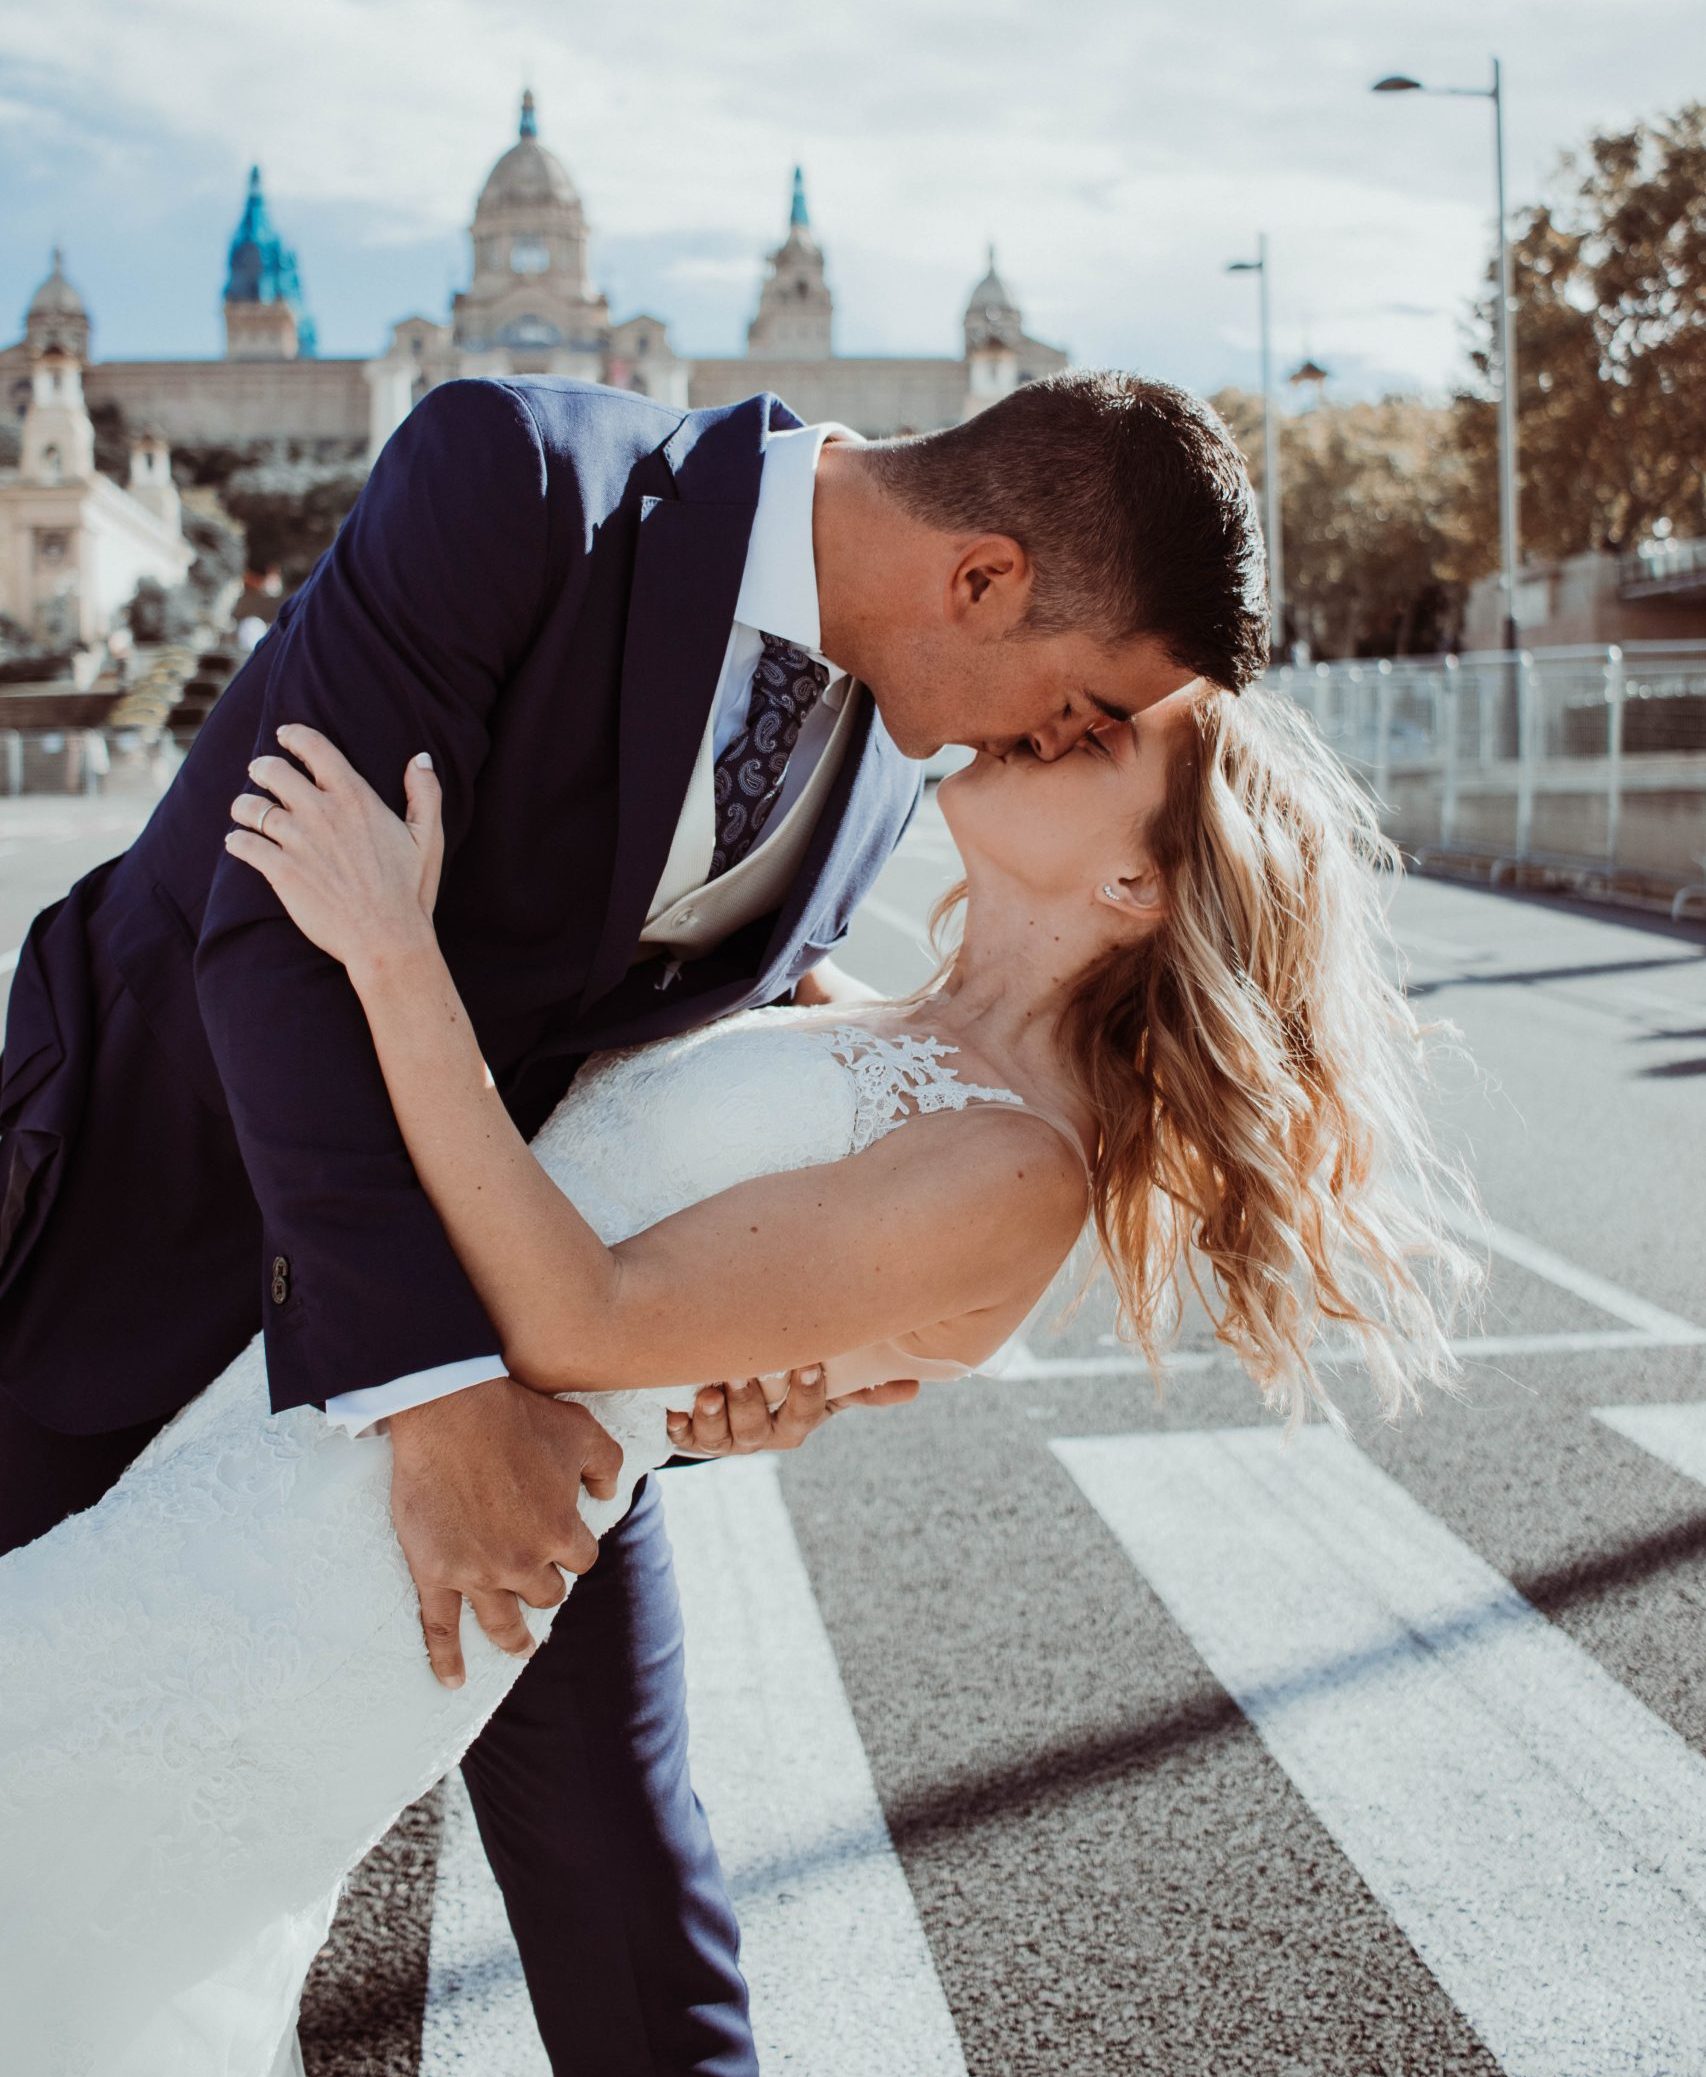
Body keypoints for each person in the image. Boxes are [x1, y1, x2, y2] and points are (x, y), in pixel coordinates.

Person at [0, 369, 1268, 2073]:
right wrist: (441, 1391)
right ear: (981, 580)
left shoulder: (905, 746)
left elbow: (732, 1064)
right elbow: (270, 914)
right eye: (1084, 698)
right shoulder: (514, 480)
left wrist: (772, 1335)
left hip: (540, 1341)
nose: (1050, 738)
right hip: (158, 1232)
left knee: (616, 1860)